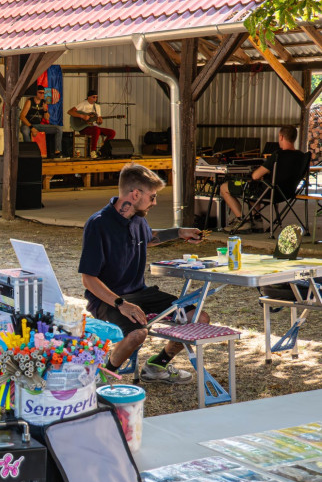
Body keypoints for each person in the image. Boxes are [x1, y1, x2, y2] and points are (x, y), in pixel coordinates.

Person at [79, 164, 209, 384]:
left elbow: (148, 238)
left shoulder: (138, 218)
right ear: (135, 194)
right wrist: (121, 303)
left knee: (198, 318)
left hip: (140, 293)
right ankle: (101, 377)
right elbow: (88, 279)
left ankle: (157, 365)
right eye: (152, 196)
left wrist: (179, 233)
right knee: (138, 334)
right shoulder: (98, 224)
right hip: (107, 299)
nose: (155, 202)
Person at [220, 125, 306, 232]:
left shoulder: (278, 155)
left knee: (225, 187)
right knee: (255, 188)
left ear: (281, 137)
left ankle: (242, 221)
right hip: (287, 193)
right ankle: (257, 221)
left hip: (270, 192)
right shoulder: (302, 156)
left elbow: (256, 176)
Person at [67, 90, 116, 159]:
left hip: (94, 127)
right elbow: (70, 112)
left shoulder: (97, 107)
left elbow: (98, 120)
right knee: (96, 129)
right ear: (88, 97)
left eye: (96, 97)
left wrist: (100, 121)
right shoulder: (83, 104)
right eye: (93, 97)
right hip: (83, 127)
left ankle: (102, 150)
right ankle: (93, 151)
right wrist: (82, 116)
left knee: (112, 132)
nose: (95, 99)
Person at [19, 84, 63, 157]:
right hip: (28, 124)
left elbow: (46, 118)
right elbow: (22, 117)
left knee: (58, 128)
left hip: (37, 125)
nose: (42, 94)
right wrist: (31, 127)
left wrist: (45, 110)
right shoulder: (29, 101)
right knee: (25, 131)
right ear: (35, 93)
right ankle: (29, 151)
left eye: (43, 93)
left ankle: (57, 151)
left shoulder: (44, 102)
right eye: (40, 92)